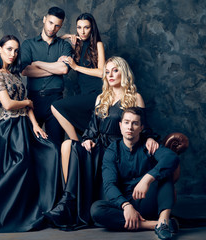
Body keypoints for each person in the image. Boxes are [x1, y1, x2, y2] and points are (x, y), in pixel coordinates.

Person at [0, 35, 62, 233]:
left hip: (24, 126)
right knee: (20, 165)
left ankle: (40, 208)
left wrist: (36, 126)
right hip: (9, 130)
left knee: (51, 152)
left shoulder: (15, 75)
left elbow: (26, 105)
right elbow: (8, 104)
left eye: (16, 51)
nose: (13, 54)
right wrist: (27, 103)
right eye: (9, 49)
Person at [44, 56, 159, 230]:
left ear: (124, 73)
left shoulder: (135, 97)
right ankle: (68, 202)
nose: (110, 75)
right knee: (69, 145)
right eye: (107, 72)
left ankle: (71, 204)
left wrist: (150, 138)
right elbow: (92, 129)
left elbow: (143, 128)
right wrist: (88, 140)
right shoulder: (101, 98)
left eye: (115, 70)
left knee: (77, 150)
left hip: (117, 150)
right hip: (99, 145)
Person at [90, 107, 179, 240]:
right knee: (96, 210)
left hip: (148, 200)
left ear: (141, 127)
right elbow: (109, 185)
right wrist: (126, 206)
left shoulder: (149, 145)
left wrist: (147, 179)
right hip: (125, 204)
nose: (130, 127)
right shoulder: (112, 150)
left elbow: (172, 157)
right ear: (120, 126)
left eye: (135, 123)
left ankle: (164, 219)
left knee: (165, 175)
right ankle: (156, 225)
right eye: (126, 122)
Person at [21, 6, 73, 146]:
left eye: (57, 26)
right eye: (50, 23)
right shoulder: (28, 44)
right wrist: (54, 67)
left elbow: (63, 69)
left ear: (61, 26)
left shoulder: (64, 46)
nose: (52, 28)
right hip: (33, 101)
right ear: (44, 19)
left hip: (55, 101)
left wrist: (37, 63)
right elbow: (25, 71)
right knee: (29, 147)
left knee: (56, 147)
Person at [51, 13, 105, 140]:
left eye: (86, 27)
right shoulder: (78, 45)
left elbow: (102, 72)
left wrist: (76, 67)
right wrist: (67, 36)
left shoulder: (98, 44)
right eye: (79, 27)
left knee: (57, 107)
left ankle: (75, 143)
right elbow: (53, 40)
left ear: (92, 28)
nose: (82, 31)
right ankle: (79, 144)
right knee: (87, 131)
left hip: (97, 94)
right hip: (83, 93)